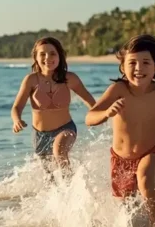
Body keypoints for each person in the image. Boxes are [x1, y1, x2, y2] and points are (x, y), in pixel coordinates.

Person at [86, 35, 155, 226]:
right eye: (132, 63)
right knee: (127, 212)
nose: (139, 68)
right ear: (123, 67)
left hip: (152, 152)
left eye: (145, 62)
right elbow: (90, 118)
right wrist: (106, 113)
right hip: (120, 159)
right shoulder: (117, 90)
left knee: (147, 182)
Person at [11, 36, 95, 167]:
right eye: (42, 54)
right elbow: (17, 107)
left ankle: (69, 186)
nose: (47, 58)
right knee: (49, 177)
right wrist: (17, 120)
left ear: (60, 56)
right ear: (36, 57)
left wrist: (98, 116)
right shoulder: (31, 80)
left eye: (52, 53)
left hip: (66, 128)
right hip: (39, 135)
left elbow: (90, 101)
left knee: (60, 152)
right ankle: (59, 188)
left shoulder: (70, 78)